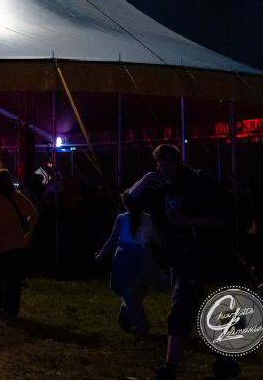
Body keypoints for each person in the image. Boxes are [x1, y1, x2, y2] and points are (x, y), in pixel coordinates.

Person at [124, 143, 231, 380]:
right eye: (162, 165)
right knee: (200, 310)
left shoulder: (197, 183)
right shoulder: (162, 188)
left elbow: (223, 218)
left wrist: (190, 220)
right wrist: (147, 177)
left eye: (170, 164)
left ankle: (169, 369)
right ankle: (226, 361)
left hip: (197, 255)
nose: (167, 169)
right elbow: (129, 201)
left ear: (180, 161)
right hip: (176, 257)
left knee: (181, 308)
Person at [0, 168, 39, 320]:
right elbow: (34, 213)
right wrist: (29, 230)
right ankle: (11, 310)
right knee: (13, 281)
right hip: (15, 243)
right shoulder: (18, 198)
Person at [95, 200, 162, 336]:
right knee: (134, 291)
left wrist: (100, 256)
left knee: (130, 293)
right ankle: (125, 320)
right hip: (145, 258)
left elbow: (112, 241)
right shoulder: (147, 218)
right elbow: (158, 239)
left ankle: (141, 324)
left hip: (126, 258)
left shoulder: (122, 218)